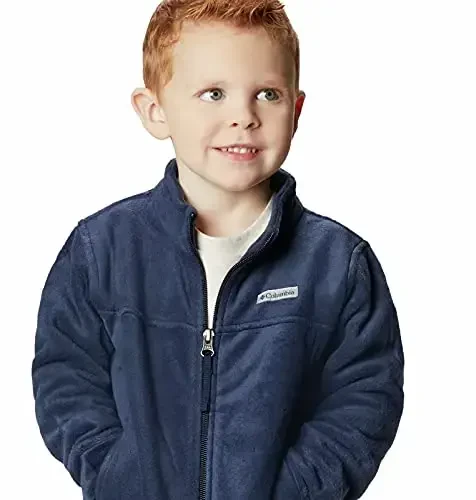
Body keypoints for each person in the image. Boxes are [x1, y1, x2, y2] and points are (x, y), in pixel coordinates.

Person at [31, 1, 405, 499]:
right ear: (155, 110)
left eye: (267, 94)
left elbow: (365, 398)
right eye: (213, 93)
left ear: (296, 111)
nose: (243, 117)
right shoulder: (101, 250)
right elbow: (66, 377)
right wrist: (118, 474)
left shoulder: (338, 263)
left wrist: (297, 490)